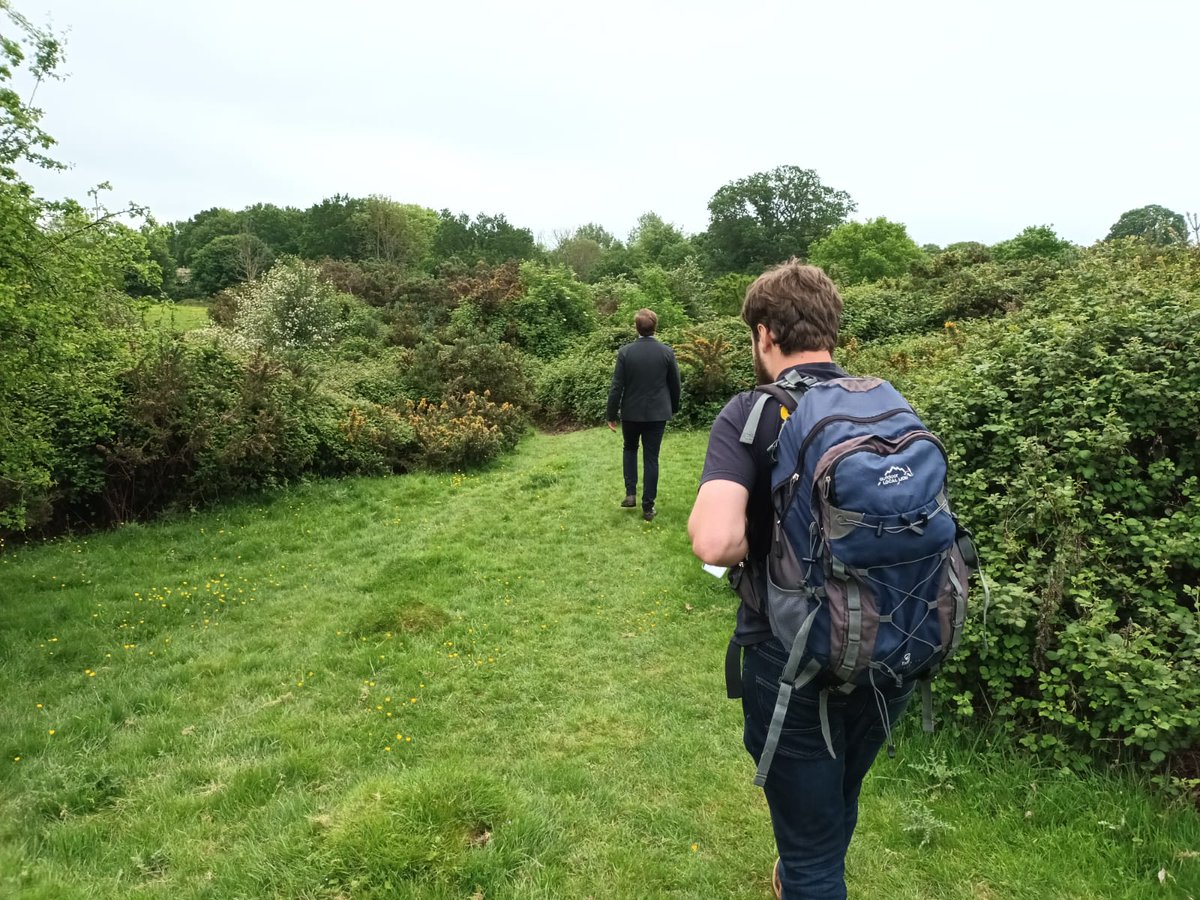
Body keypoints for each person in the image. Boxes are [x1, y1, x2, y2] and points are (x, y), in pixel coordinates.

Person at [687, 261, 912, 900]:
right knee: (838, 801)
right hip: (892, 641)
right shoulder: (885, 403)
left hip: (791, 655)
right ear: (831, 327)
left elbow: (715, 540)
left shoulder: (753, 413)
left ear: (764, 333)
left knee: (811, 853)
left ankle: (806, 878)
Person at [606, 308, 681, 522]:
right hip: (658, 414)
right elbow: (675, 385)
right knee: (651, 458)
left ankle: (630, 494)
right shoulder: (666, 352)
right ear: (655, 326)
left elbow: (616, 387)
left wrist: (611, 414)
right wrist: (673, 408)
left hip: (631, 413)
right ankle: (648, 507)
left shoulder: (626, 352)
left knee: (629, 449)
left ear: (636, 327)